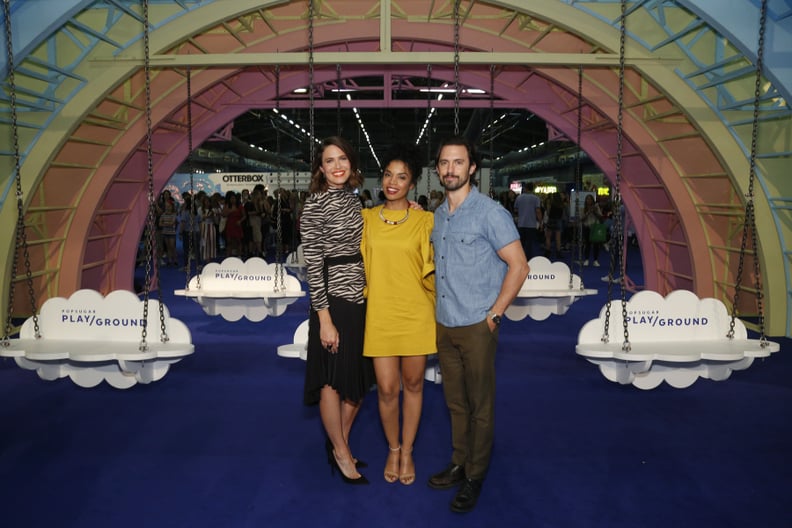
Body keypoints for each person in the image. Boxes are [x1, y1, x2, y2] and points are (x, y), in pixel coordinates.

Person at [427, 136, 529, 513]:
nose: (450, 169)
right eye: (444, 162)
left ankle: (475, 474)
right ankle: (459, 461)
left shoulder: (490, 213)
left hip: (477, 325)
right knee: (455, 402)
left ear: (472, 168)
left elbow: (520, 266)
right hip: (445, 322)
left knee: (480, 405)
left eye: (458, 162)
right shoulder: (439, 215)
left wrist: (496, 313)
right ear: (437, 169)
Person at [302, 136, 375, 485]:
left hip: (359, 299)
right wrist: (324, 319)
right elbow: (313, 265)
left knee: (356, 379)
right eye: (329, 161)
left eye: (342, 158)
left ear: (352, 163)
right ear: (320, 168)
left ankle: (338, 445)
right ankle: (342, 452)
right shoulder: (314, 205)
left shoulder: (352, 197)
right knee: (332, 380)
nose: (336, 166)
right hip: (332, 300)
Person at [361, 144, 436, 486]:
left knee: (414, 384)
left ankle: (407, 450)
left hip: (416, 314)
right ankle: (392, 447)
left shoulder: (426, 221)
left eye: (401, 177)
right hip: (379, 314)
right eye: (388, 175)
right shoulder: (365, 220)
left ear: (413, 183)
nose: (393, 182)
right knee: (387, 389)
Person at [513, 183, 543, 260]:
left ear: (525, 188)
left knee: (521, 243)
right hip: (531, 224)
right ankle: (528, 259)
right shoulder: (536, 198)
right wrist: (540, 222)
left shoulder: (519, 198)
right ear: (532, 189)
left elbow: (515, 210)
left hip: (521, 223)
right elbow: (538, 211)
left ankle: (520, 258)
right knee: (530, 243)